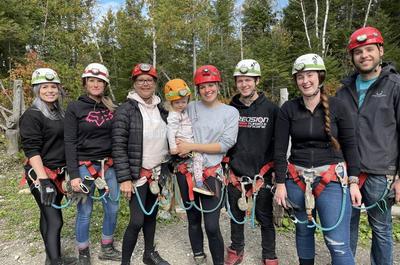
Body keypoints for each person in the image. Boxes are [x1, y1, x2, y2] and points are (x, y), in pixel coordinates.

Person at [274, 54, 362, 265]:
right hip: (296, 179)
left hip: (331, 179)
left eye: (310, 75)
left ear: (320, 77)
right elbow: (279, 148)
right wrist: (279, 183)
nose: (305, 81)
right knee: (303, 232)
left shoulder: (338, 107)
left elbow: (351, 146)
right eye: (300, 76)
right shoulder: (289, 109)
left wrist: (354, 182)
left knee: (337, 242)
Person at [336, 26, 400, 265]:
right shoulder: (344, 92)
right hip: (348, 172)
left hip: (380, 173)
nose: (364, 55)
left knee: (382, 228)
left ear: (380, 51)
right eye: (358, 52)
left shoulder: (395, 86)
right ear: (352, 57)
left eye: (369, 49)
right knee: (347, 226)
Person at [175, 65, 239, 265]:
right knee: (192, 218)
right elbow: (172, 119)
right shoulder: (190, 107)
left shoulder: (230, 112)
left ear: (218, 86)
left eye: (211, 85)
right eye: (202, 87)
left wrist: (191, 146)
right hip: (186, 171)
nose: (207, 90)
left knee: (211, 225)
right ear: (197, 89)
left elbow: (225, 144)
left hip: (211, 174)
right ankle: (198, 255)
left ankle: (218, 261)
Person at [112, 63, 170, 265]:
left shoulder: (162, 109)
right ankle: (125, 262)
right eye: (140, 80)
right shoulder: (125, 110)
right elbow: (118, 146)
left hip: (157, 173)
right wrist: (125, 178)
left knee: (151, 216)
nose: (145, 84)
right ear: (134, 83)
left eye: (149, 80)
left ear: (155, 83)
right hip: (137, 175)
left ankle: (149, 254)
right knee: (136, 220)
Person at [64, 63, 120, 265]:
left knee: (113, 208)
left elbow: (118, 137)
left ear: (105, 84)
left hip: (109, 166)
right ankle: (83, 252)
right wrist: (74, 175)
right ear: (85, 83)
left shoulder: (111, 107)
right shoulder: (74, 108)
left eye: (100, 81)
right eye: (92, 80)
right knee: (85, 211)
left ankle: (107, 246)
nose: (96, 84)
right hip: (84, 166)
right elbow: (69, 141)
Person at [224, 59, 279, 265]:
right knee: (236, 215)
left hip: (261, 174)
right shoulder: (230, 110)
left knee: (265, 217)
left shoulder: (272, 110)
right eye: (240, 80)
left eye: (248, 80)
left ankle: (269, 253)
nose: (244, 84)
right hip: (236, 172)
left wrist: (275, 170)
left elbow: (278, 142)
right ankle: (236, 248)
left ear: (257, 80)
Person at [20, 68, 76, 265]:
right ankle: (55, 261)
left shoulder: (58, 112)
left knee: (47, 216)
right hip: (41, 174)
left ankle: (51, 258)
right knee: (55, 220)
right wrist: (44, 180)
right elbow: (32, 150)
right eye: (45, 87)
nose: (50, 90)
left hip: (58, 173)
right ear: (37, 90)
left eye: (54, 86)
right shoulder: (32, 115)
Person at [163, 78, 213, 196]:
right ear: (171, 103)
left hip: (189, 140)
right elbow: (170, 131)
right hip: (184, 142)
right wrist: (173, 146)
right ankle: (199, 182)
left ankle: (198, 178)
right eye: (177, 102)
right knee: (198, 158)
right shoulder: (174, 115)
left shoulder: (183, 111)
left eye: (183, 101)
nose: (181, 105)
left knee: (197, 158)